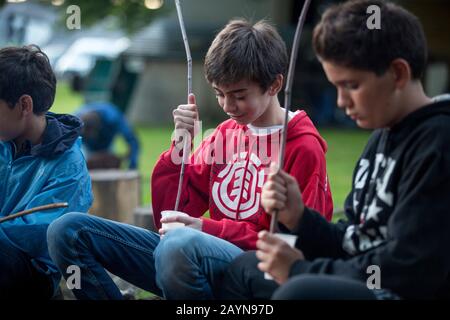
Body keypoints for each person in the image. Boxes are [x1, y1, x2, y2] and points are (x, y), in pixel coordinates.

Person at [46, 19, 333, 299]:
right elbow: (169, 216)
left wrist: (207, 229)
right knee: (68, 230)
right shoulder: (223, 135)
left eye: (238, 95)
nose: (227, 106)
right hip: (190, 259)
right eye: (219, 94)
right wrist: (178, 150)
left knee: (179, 245)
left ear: (273, 85)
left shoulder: (302, 147)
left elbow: (299, 246)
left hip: (255, 274)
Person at [219, 0, 450, 300]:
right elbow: (357, 239)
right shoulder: (380, 139)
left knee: (299, 292)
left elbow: (409, 268)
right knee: (246, 268)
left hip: (396, 291)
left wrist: (302, 272)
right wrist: (300, 216)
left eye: (351, 85)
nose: (341, 102)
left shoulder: (438, 143)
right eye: (336, 87)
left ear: (397, 74)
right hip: (366, 279)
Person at [0, 45, 93, 298]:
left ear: (24, 105)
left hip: (30, 274)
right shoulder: (3, 142)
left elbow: (37, 235)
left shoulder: (69, 166)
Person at [75, 101, 140, 170]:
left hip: (107, 146)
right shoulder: (76, 121)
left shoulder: (113, 117)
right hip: (87, 149)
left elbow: (132, 140)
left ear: (99, 127)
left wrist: (132, 165)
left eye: (91, 134)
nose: (91, 137)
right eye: (87, 134)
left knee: (110, 168)